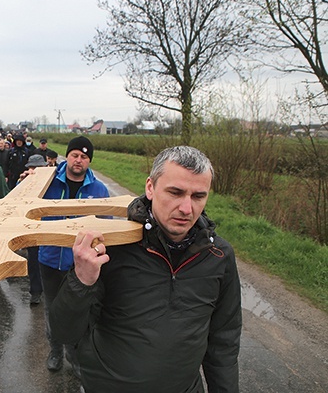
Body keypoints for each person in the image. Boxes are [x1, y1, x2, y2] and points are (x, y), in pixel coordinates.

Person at [50, 146, 242, 393]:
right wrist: (81, 281)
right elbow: (65, 332)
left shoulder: (218, 256)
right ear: (150, 188)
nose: (186, 208)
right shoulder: (113, 249)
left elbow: (223, 344)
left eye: (197, 196)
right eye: (175, 192)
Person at [38, 136, 110, 374]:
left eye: (84, 157)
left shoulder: (98, 190)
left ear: (89, 161)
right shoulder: (46, 182)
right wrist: (26, 182)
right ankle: (55, 351)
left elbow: (106, 227)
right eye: (75, 155)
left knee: (78, 312)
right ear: (66, 156)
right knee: (52, 310)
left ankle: (75, 356)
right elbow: (19, 204)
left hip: (79, 267)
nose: (79, 160)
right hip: (49, 260)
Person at [16, 154, 48, 305]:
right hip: (31, 228)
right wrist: (21, 183)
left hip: (47, 227)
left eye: (38, 168)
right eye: (32, 168)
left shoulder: (51, 182)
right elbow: (15, 201)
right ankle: (35, 291)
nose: (34, 171)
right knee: (33, 262)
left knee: (48, 262)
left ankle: (49, 290)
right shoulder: (23, 182)